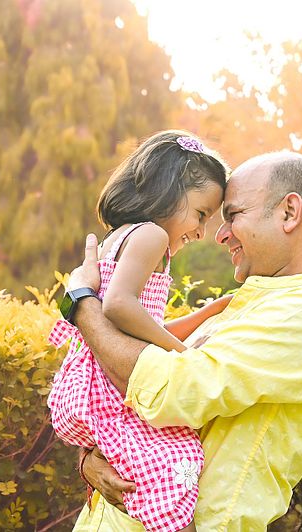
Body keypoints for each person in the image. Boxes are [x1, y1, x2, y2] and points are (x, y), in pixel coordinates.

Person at [63, 152, 302, 531]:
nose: (219, 234)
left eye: (232, 215)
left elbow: (171, 389)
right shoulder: (243, 306)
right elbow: (127, 404)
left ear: (289, 212)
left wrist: (82, 303)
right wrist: (89, 458)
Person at [47, 130, 229, 532]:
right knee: (181, 457)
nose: (201, 232)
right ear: (170, 190)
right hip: (110, 388)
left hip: (91, 382)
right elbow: (118, 306)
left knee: (149, 461)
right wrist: (182, 355)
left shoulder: (126, 235)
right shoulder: (152, 235)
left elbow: (141, 324)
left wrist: (210, 311)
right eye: (201, 214)